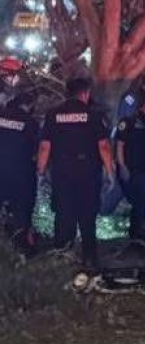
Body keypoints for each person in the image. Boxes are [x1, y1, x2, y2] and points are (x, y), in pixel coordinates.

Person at [37, 78, 114, 269]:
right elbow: (103, 146)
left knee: (64, 212)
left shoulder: (53, 115)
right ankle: (89, 258)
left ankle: (62, 255)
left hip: (62, 171)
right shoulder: (93, 115)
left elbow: (45, 146)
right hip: (88, 171)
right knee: (87, 214)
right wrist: (110, 173)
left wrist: (40, 172)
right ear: (85, 93)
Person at [115, 93, 145, 240]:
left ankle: (139, 232)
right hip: (131, 168)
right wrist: (122, 165)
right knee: (138, 201)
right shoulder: (128, 122)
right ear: (141, 108)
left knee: (144, 201)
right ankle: (136, 234)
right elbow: (120, 145)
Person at [0, 92, 39, 247]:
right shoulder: (31, 123)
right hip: (20, 173)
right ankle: (23, 244)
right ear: (29, 106)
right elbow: (37, 152)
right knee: (23, 209)